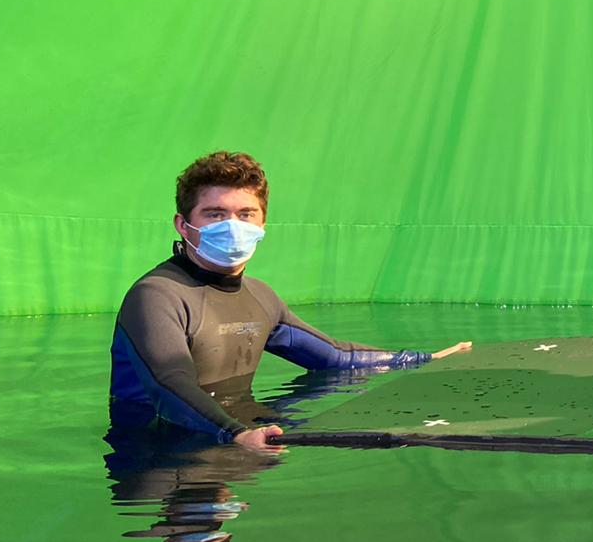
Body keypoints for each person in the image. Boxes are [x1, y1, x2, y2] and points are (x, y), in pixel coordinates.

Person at [110, 151, 471, 451]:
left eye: (245, 214)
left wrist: (423, 359)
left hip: (241, 438)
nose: (232, 225)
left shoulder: (261, 297)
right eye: (215, 214)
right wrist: (235, 434)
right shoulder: (156, 296)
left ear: (263, 224)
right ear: (183, 224)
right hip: (157, 454)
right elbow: (169, 382)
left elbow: (336, 358)